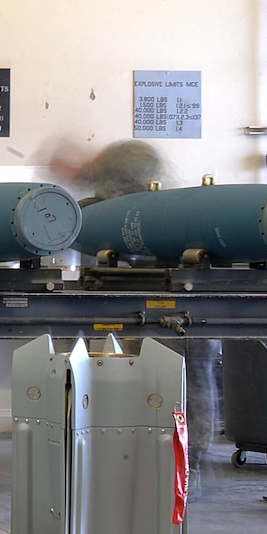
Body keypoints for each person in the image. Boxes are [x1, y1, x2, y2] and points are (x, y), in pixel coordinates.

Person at [52, 138, 218, 495]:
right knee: (150, 377)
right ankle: (156, 459)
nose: (67, 176)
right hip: (150, 296)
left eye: (63, 169)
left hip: (176, 295)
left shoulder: (124, 160)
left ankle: (189, 465)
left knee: (184, 381)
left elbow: (130, 213)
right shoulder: (103, 187)